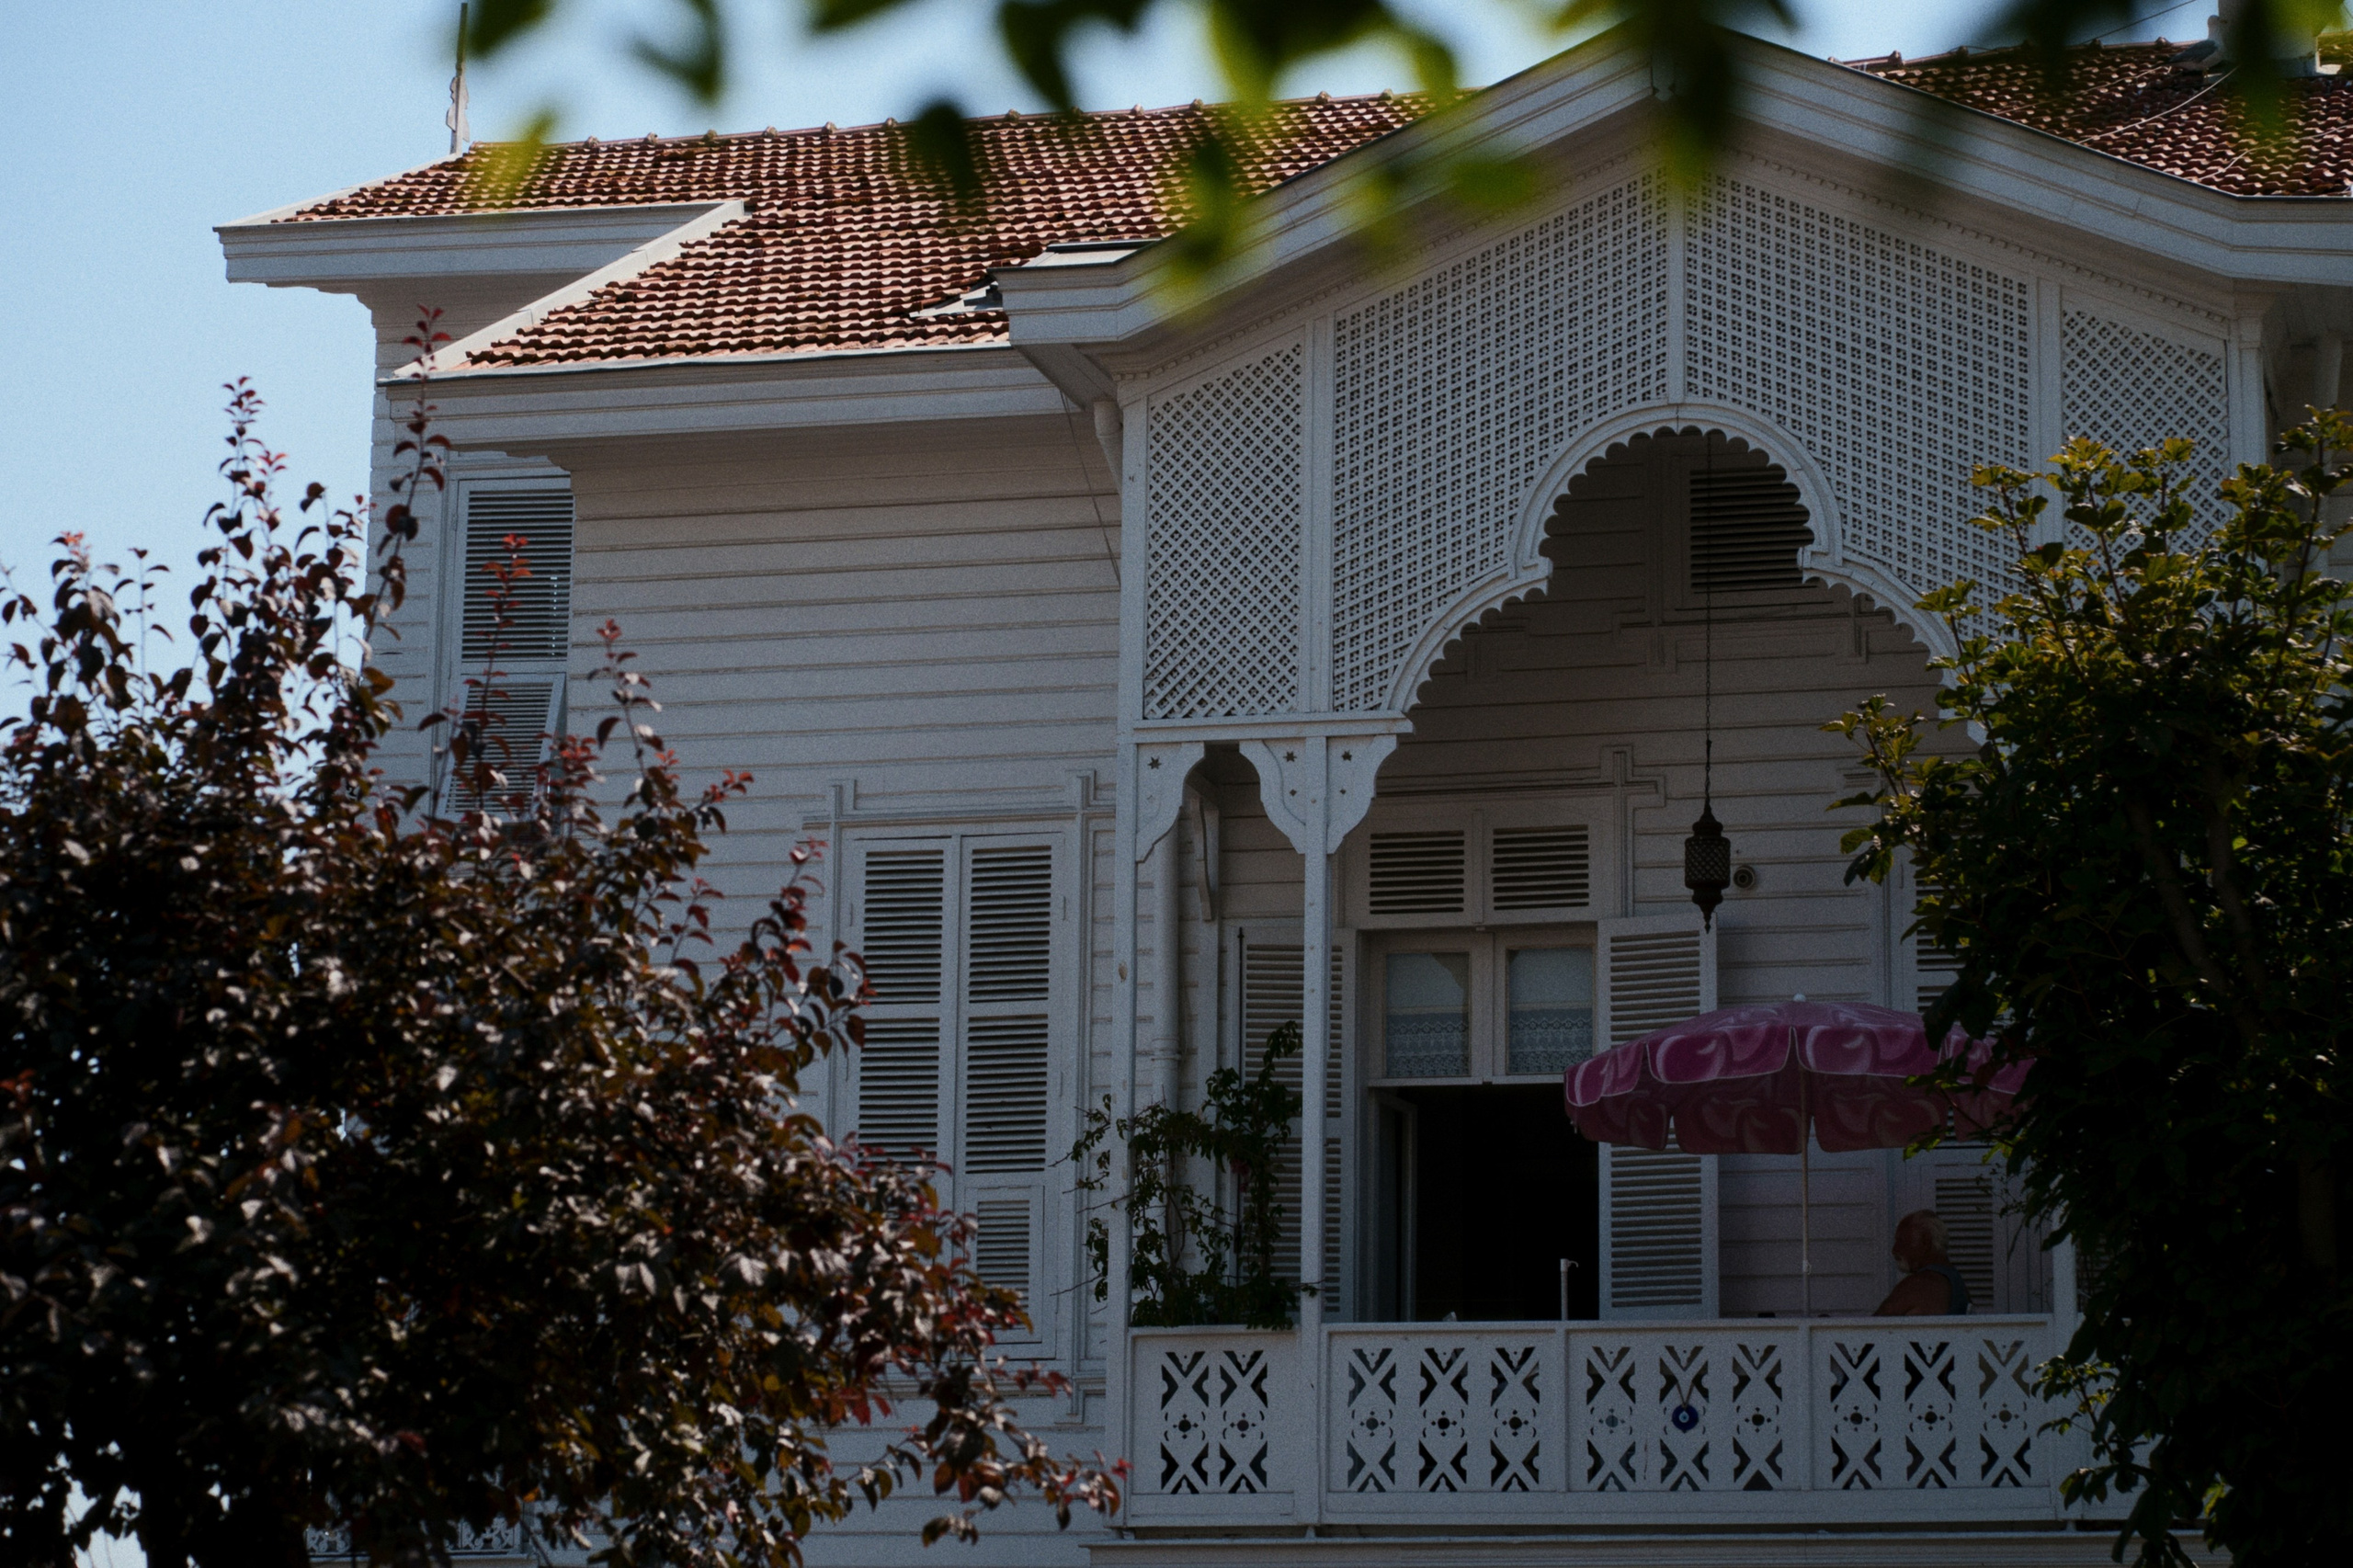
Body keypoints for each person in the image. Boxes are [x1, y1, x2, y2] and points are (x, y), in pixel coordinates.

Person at [1871, 1209, 1972, 1316]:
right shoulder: (1955, 1282)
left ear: (1925, 1241)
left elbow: (1872, 1329)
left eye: (1901, 1241)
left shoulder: (1921, 1283)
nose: (1894, 1250)